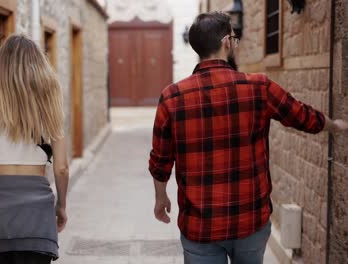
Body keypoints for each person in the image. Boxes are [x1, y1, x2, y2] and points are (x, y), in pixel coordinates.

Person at [148, 12, 348, 264]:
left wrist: (160, 197)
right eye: (234, 37)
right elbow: (302, 116)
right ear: (227, 42)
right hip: (249, 220)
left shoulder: (172, 97)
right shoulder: (259, 88)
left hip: (200, 225)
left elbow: (160, 159)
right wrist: (335, 125)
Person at [0, 34, 69, 264]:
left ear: (1, 67)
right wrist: (61, 205)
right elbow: (61, 168)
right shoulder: (50, 103)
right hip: (38, 211)